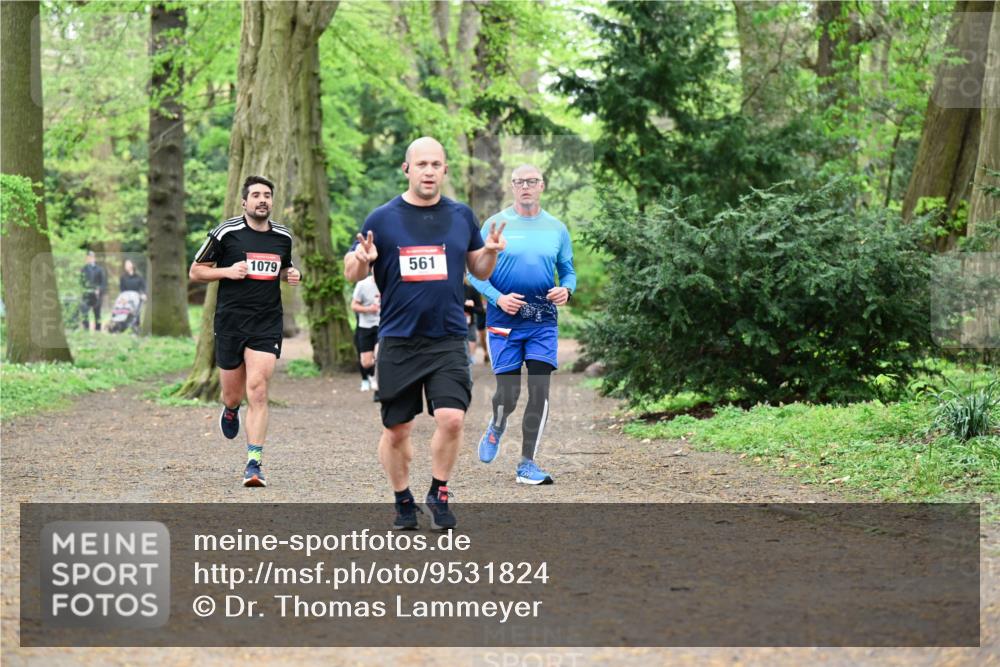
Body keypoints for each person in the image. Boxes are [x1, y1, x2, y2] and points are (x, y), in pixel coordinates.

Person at [344, 136, 505, 531]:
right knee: (397, 430)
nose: (429, 171)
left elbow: (478, 270)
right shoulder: (382, 219)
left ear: (445, 170)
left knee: (451, 418)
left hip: (448, 336)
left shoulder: (461, 216)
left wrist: (491, 252)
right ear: (407, 169)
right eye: (422, 165)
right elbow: (352, 270)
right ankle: (402, 499)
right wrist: (362, 261)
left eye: (436, 164)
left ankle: (439, 492)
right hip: (399, 338)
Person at [189, 175, 301, 488]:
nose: (262, 200)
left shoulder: (283, 237)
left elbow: (282, 268)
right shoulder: (226, 232)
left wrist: (291, 274)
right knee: (233, 393)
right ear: (244, 202)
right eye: (256, 195)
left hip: (266, 323)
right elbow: (195, 271)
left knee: (259, 388)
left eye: (267, 195)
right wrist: (227, 271)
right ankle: (230, 409)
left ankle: (254, 463)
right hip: (230, 322)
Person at [468, 164, 576, 485]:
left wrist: (566, 289)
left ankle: (527, 463)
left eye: (531, 181)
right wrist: (497, 298)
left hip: (542, 319)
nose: (525, 186)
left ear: (542, 186)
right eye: (519, 182)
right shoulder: (495, 224)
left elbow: (568, 270)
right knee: (509, 393)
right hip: (504, 320)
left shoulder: (556, 228)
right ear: (511, 186)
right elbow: (474, 271)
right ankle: (498, 424)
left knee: (540, 390)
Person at [352, 274, 381, 392]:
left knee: (380, 355)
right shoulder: (362, 284)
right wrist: (369, 309)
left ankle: (379, 385)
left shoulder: (389, 281)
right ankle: (370, 376)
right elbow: (353, 306)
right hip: (365, 326)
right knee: (366, 362)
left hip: (383, 324)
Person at [79, 250, 107, 331]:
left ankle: (98, 330)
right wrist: (82, 290)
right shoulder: (83, 269)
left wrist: (99, 289)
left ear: (94, 258)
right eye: (88, 257)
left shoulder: (100, 269)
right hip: (86, 294)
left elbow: (103, 282)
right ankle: (86, 329)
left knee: (97, 313)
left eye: (91, 257)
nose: (90, 259)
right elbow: (81, 282)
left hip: (96, 295)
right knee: (84, 312)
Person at [119, 259, 147, 327]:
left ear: (132, 265)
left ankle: (136, 329)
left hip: (137, 298)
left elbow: (143, 287)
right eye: (125, 265)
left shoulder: (139, 276)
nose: (126, 266)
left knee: (136, 314)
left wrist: (143, 294)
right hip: (127, 298)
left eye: (127, 264)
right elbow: (122, 289)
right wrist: (123, 298)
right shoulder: (123, 277)